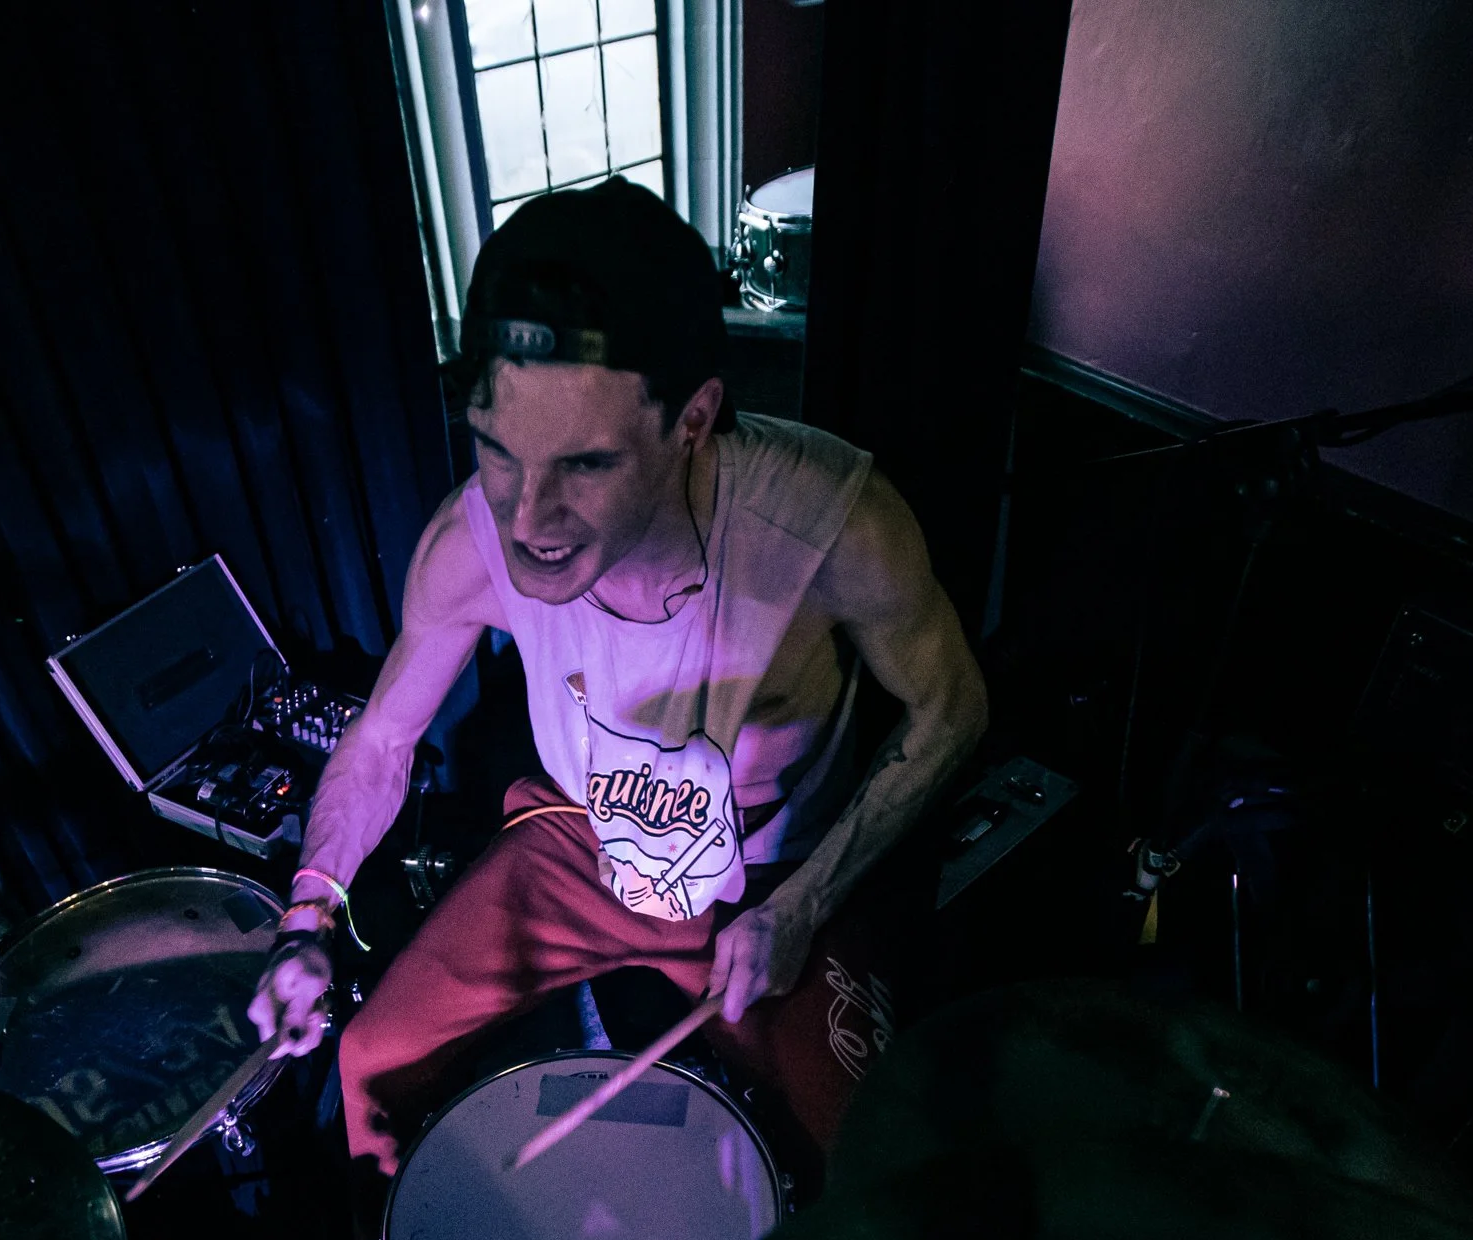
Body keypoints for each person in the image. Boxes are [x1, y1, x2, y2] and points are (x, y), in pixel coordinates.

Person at [247, 179, 987, 1173]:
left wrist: (808, 901)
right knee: (372, 1056)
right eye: (498, 451)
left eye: (581, 465)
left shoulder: (831, 525)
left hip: (774, 881)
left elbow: (953, 711)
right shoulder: (467, 541)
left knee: (867, 1173)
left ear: (690, 419)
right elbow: (382, 740)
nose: (525, 516)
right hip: (579, 840)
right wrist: (307, 917)